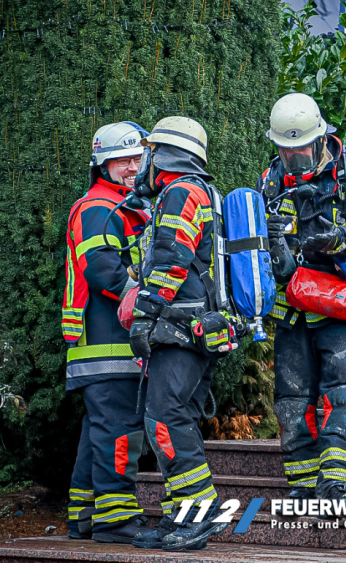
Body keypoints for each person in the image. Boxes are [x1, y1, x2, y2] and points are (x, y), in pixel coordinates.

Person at [258, 93, 346, 505]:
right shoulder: (271, 178)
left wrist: (345, 239)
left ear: (320, 140)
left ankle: (338, 484)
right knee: (291, 402)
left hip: (343, 302)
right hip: (293, 305)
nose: (294, 159)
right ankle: (302, 483)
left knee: (345, 393)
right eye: (286, 151)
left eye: (301, 150)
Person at [125, 116, 235, 551]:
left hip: (182, 330)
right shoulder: (198, 192)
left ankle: (199, 510)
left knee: (165, 417)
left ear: (165, 155)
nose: (144, 164)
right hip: (197, 328)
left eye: (148, 153)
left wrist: (143, 317)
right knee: (177, 416)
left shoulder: (181, 192)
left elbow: (172, 259)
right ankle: (180, 516)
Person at [63, 121, 152, 543]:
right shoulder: (99, 207)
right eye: (123, 160)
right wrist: (144, 296)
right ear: (103, 164)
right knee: (118, 427)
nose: (132, 166)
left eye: (137, 158)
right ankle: (116, 521)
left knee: (99, 427)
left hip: (103, 342)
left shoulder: (125, 204)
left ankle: (83, 514)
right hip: (107, 340)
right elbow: (101, 269)